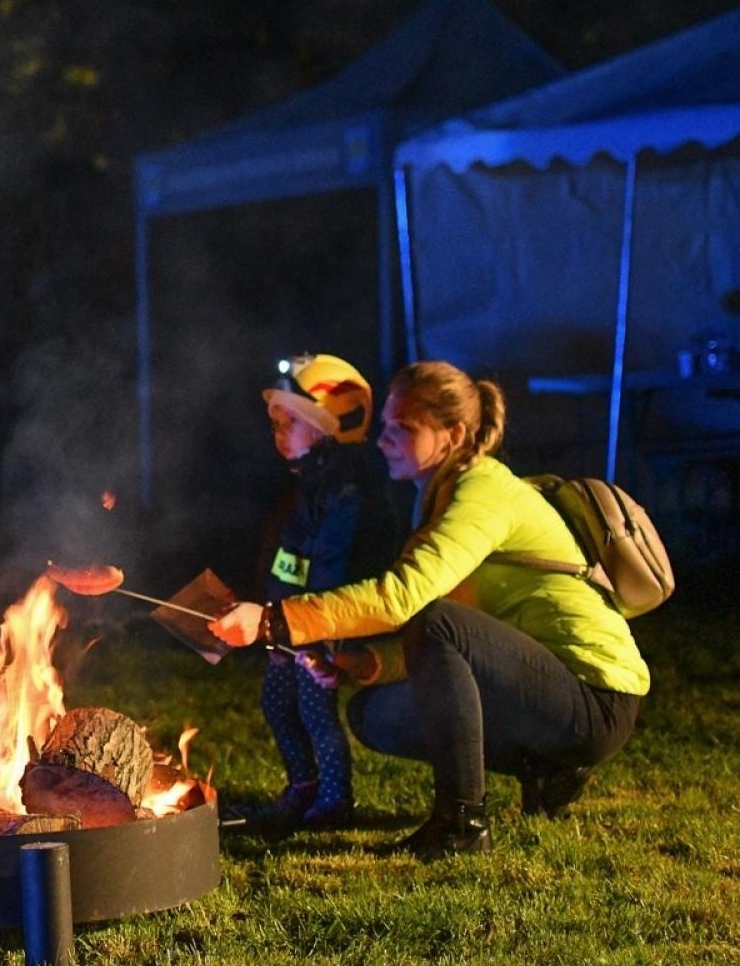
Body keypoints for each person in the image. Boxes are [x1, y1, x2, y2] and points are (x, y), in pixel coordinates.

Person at [208, 361, 648, 857]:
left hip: (596, 697)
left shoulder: (481, 492)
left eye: (404, 428)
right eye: (387, 426)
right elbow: (449, 624)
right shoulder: (442, 494)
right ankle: (547, 766)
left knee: (437, 622)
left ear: (453, 434)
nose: (383, 440)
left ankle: (463, 821)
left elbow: (404, 598)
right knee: (374, 714)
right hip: (545, 687)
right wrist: (371, 663)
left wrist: (274, 620)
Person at [225, 353, 398, 834]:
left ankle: (334, 798)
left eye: (292, 423)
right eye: (276, 422)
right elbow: (291, 559)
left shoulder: (346, 491)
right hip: (290, 623)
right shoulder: (309, 483)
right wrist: (270, 612)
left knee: (315, 710)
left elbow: (332, 567)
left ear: (325, 428)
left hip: (318, 629)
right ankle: (302, 786)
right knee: (278, 704)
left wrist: (312, 636)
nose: (279, 434)